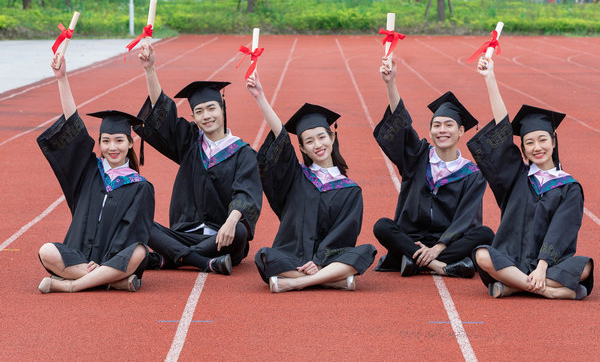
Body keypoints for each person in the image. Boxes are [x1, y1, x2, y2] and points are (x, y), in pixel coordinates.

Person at [469, 57, 594, 299]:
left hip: (549, 265)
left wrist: (542, 265)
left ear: (553, 141)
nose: (537, 147)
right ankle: (551, 292)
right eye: (529, 142)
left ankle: (513, 286)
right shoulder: (517, 176)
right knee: (482, 255)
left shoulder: (569, 187)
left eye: (542, 140)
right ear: (523, 149)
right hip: (511, 258)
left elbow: (562, 230)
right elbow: (503, 131)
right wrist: (490, 79)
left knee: (586, 266)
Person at [135, 44, 262, 275]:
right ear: (193, 116)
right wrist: (150, 69)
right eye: (200, 111)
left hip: (223, 236)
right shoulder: (190, 142)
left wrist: (231, 222)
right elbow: (164, 116)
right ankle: (201, 261)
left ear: (222, 109)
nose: (207, 116)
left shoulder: (242, 152)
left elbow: (247, 193)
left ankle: (172, 258)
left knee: (240, 233)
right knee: (139, 219)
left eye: (211, 108)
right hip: (186, 231)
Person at [246, 72, 377, 293]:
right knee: (265, 256)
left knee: (365, 251)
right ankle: (332, 280)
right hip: (292, 255)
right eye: (309, 141)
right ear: (302, 149)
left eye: (321, 137)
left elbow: (344, 234)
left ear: (332, 138)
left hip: (328, 259)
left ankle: (297, 282)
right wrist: (260, 97)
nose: (317, 144)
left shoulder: (350, 190)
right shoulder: (296, 177)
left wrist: (318, 261)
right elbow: (281, 140)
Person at [37, 54, 154, 293]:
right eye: (106, 141)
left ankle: (70, 286)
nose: (113, 147)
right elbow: (73, 126)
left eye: (119, 141)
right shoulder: (89, 171)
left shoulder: (140, 186)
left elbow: (132, 232)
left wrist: (108, 260)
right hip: (80, 255)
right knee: (46, 251)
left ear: (131, 143)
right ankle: (112, 281)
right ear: (99, 143)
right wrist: (62, 79)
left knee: (140, 252)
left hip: (113, 258)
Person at [372, 58, 494, 278]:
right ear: (430, 132)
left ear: (460, 131)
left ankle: (414, 260)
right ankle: (440, 267)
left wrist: (439, 246)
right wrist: (390, 83)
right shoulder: (418, 157)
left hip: (447, 242)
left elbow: (467, 217)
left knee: (485, 234)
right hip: (411, 236)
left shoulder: (472, 174)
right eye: (436, 125)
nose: (442, 130)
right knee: (382, 226)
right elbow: (402, 126)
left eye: (449, 125)